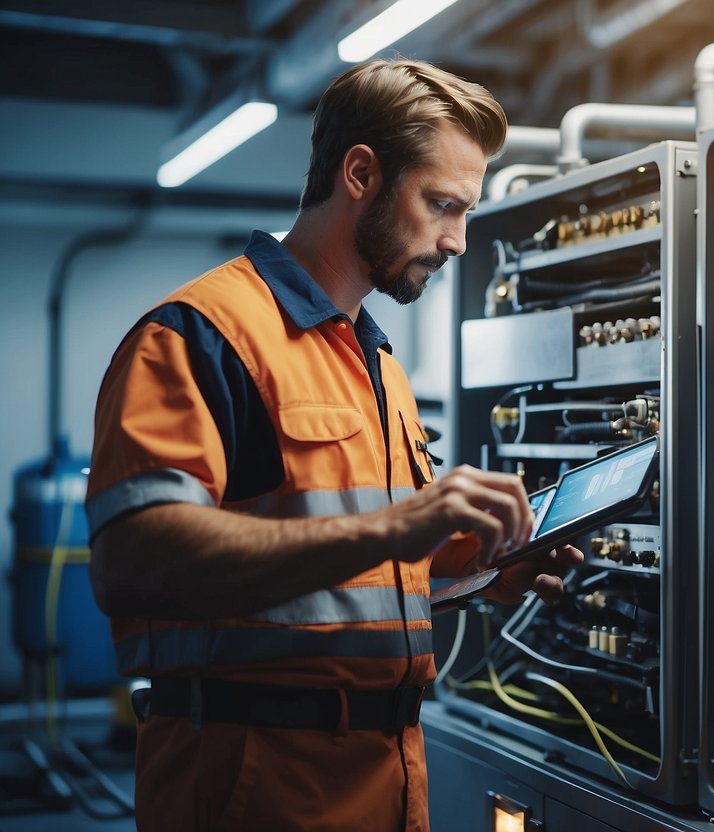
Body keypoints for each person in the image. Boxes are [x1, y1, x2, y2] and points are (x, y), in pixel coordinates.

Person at [85, 58, 582, 832]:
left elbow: (342, 591)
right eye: (441, 205)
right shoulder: (199, 336)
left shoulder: (376, 361)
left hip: (384, 782)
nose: (456, 242)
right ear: (360, 174)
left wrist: (478, 580)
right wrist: (398, 526)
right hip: (253, 789)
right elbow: (134, 563)